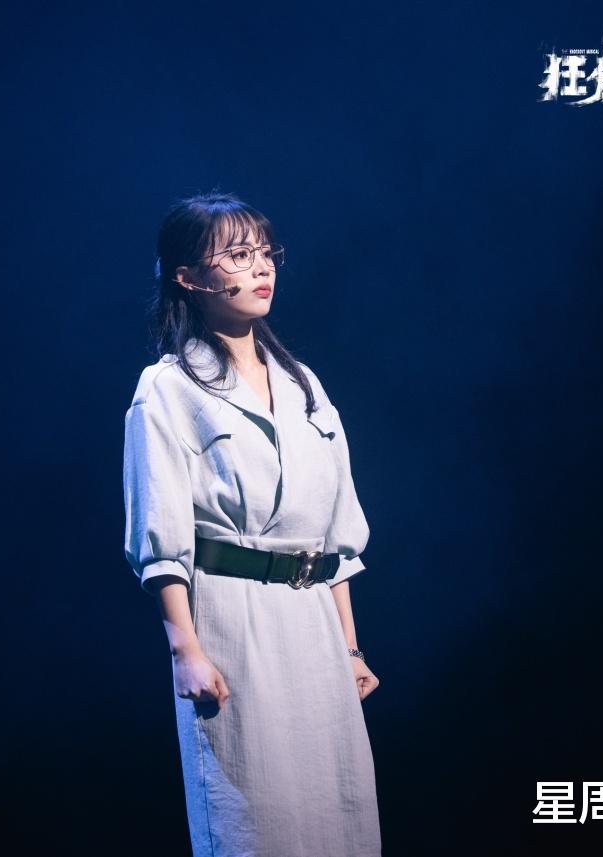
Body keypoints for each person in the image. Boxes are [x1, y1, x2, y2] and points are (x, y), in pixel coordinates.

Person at [122, 191, 382, 856]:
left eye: (266, 253)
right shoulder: (170, 387)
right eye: (239, 254)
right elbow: (160, 532)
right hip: (232, 617)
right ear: (188, 276)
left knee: (338, 809)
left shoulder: (303, 385)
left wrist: (351, 648)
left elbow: (335, 533)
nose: (262, 267)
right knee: (257, 812)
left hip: (313, 621)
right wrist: (185, 649)